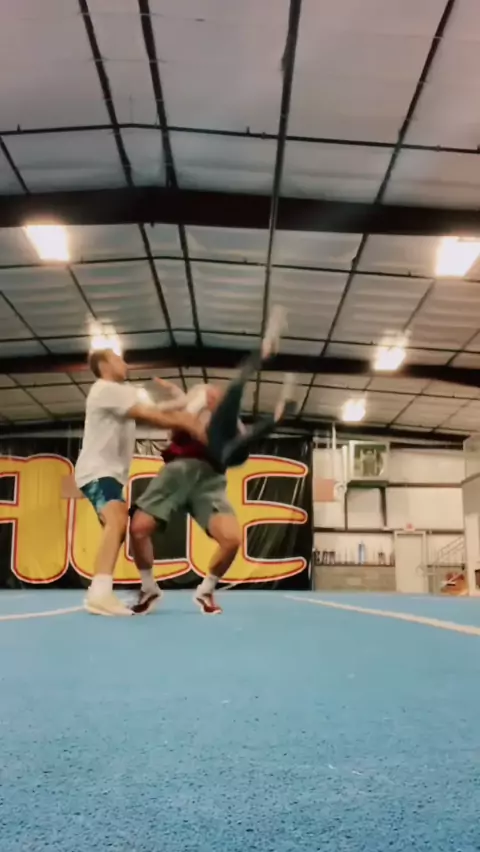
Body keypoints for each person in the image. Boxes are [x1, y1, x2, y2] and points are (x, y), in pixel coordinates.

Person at [129, 309, 296, 617]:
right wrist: (171, 406)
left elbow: (236, 442)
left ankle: (205, 591)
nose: (212, 396)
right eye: (209, 395)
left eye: (216, 396)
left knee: (232, 540)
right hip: (178, 472)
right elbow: (175, 410)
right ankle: (149, 588)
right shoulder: (191, 411)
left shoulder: (231, 426)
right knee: (138, 529)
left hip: (211, 480)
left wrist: (272, 420)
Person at [74, 347, 207, 617]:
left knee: (119, 527)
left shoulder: (121, 393)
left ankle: (123, 588)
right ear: (105, 365)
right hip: (98, 470)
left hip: (109, 474)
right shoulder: (106, 389)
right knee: (117, 522)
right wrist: (188, 422)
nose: (125, 363)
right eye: (118, 359)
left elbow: (157, 408)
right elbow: (152, 416)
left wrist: (188, 401)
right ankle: (99, 594)